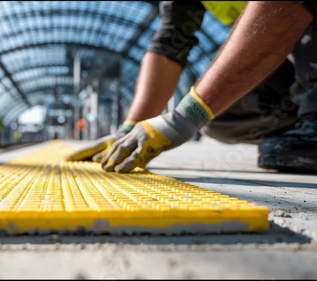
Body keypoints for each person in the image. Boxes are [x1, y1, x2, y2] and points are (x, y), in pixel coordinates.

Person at [66, 1, 317, 173]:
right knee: (222, 115)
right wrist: (130, 130)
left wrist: (186, 116)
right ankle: (304, 119)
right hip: (291, 49)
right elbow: (172, 42)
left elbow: (286, 7)